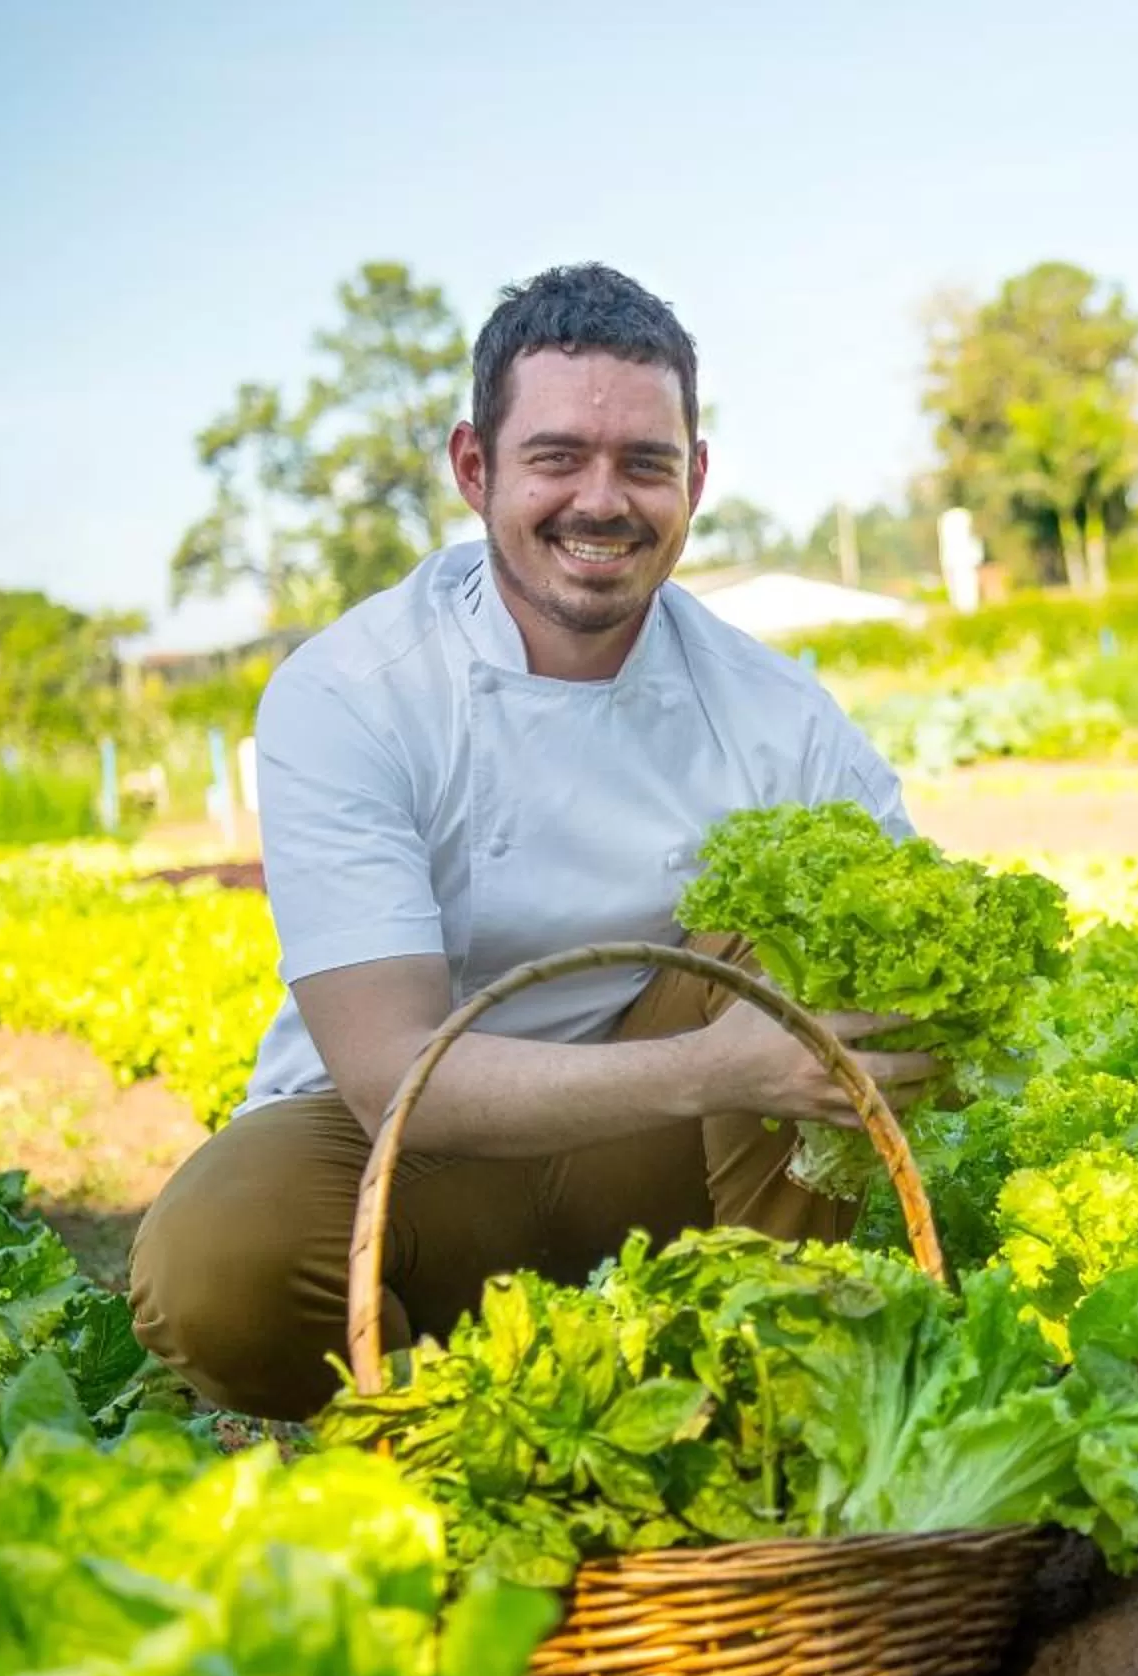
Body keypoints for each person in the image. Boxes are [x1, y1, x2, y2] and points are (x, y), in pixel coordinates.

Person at [129, 263, 934, 1421]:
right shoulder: (354, 692)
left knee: (826, 934)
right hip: (409, 1170)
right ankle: (433, 1430)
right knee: (218, 1261)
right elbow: (392, 1071)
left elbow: (905, 961)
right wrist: (719, 1069)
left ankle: (776, 1387)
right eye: (557, 457)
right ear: (475, 468)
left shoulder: (775, 711)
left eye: (645, 463)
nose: (601, 501)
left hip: (662, 1170)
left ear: (695, 479)